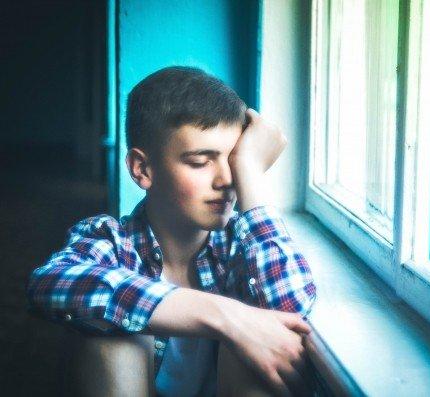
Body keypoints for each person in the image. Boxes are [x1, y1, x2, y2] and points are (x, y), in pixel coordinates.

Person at [26, 66, 317, 396]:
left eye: (233, 160)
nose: (226, 180)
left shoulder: (241, 246)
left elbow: (292, 307)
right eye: (200, 161)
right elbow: (48, 283)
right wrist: (227, 316)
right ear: (143, 169)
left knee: (259, 340)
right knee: (112, 340)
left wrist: (251, 171)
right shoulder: (111, 240)